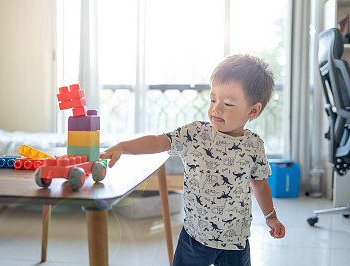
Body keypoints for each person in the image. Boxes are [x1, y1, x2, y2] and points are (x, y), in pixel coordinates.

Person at [100, 54, 285, 266]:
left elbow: (260, 184)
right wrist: (124, 147)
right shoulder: (195, 134)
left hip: (235, 242)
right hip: (195, 237)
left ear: (253, 110)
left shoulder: (254, 145)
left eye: (227, 103)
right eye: (213, 99)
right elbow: (159, 141)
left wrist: (271, 216)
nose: (216, 108)